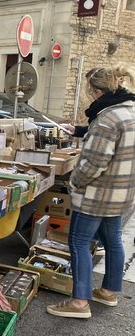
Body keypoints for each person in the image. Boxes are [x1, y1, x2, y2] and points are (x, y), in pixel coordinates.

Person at [47, 65, 135, 319]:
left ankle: (78, 302)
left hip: (98, 195)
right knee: (113, 240)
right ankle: (108, 291)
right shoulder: (128, 112)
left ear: (97, 91)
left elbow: (94, 163)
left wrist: (74, 181)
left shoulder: (108, 118)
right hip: (121, 192)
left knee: (79, 241)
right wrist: (81, 131)